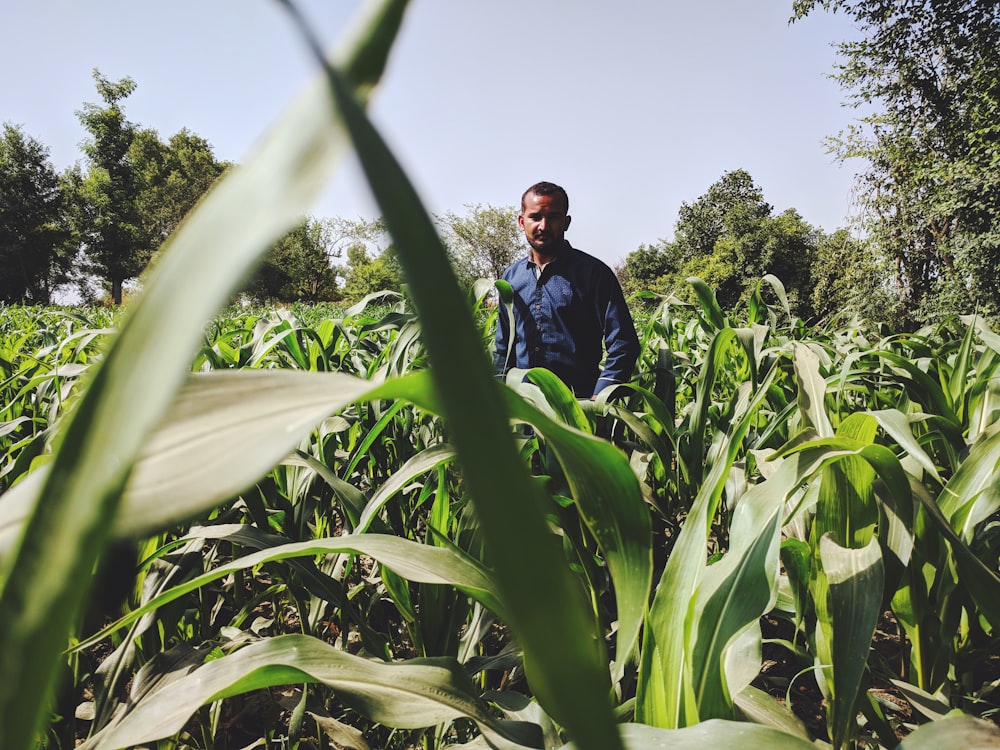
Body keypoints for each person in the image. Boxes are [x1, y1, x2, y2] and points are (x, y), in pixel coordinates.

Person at [494, 181, 640, 398]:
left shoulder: (594, 274)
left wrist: (598, 402)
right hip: (525, 410)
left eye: (552, 217)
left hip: (579, 408)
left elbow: (623, 345)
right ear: (521, 221)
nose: (543, 226)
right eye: (535, 217)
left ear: (566, 222)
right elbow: (503, 347)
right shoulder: (511, 278)